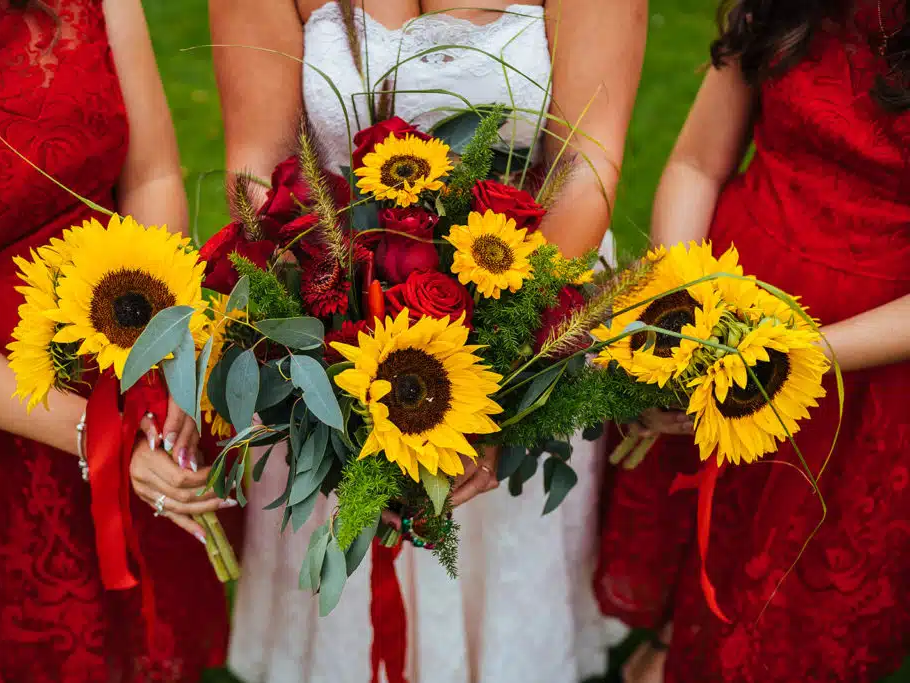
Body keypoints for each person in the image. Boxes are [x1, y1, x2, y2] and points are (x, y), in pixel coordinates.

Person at [209, 1, 646, 680]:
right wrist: (330, 342)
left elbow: (584, 167)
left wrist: (500, 384)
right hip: (335, 341)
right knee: (348, 590)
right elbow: (255, 171)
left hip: (530, 313)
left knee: (500, 585)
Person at [0, 0, 240, 679]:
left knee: (160, 616)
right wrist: (101, 439)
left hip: (130, 337)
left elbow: (153, 175)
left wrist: (165, 352)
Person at [594, 1, 910, 682]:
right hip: (726, 297)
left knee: (792, 573)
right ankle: (677, 633)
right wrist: (685, 306)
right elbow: (697, 164)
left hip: (864, 373)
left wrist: (795, 356)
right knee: (705, 517)